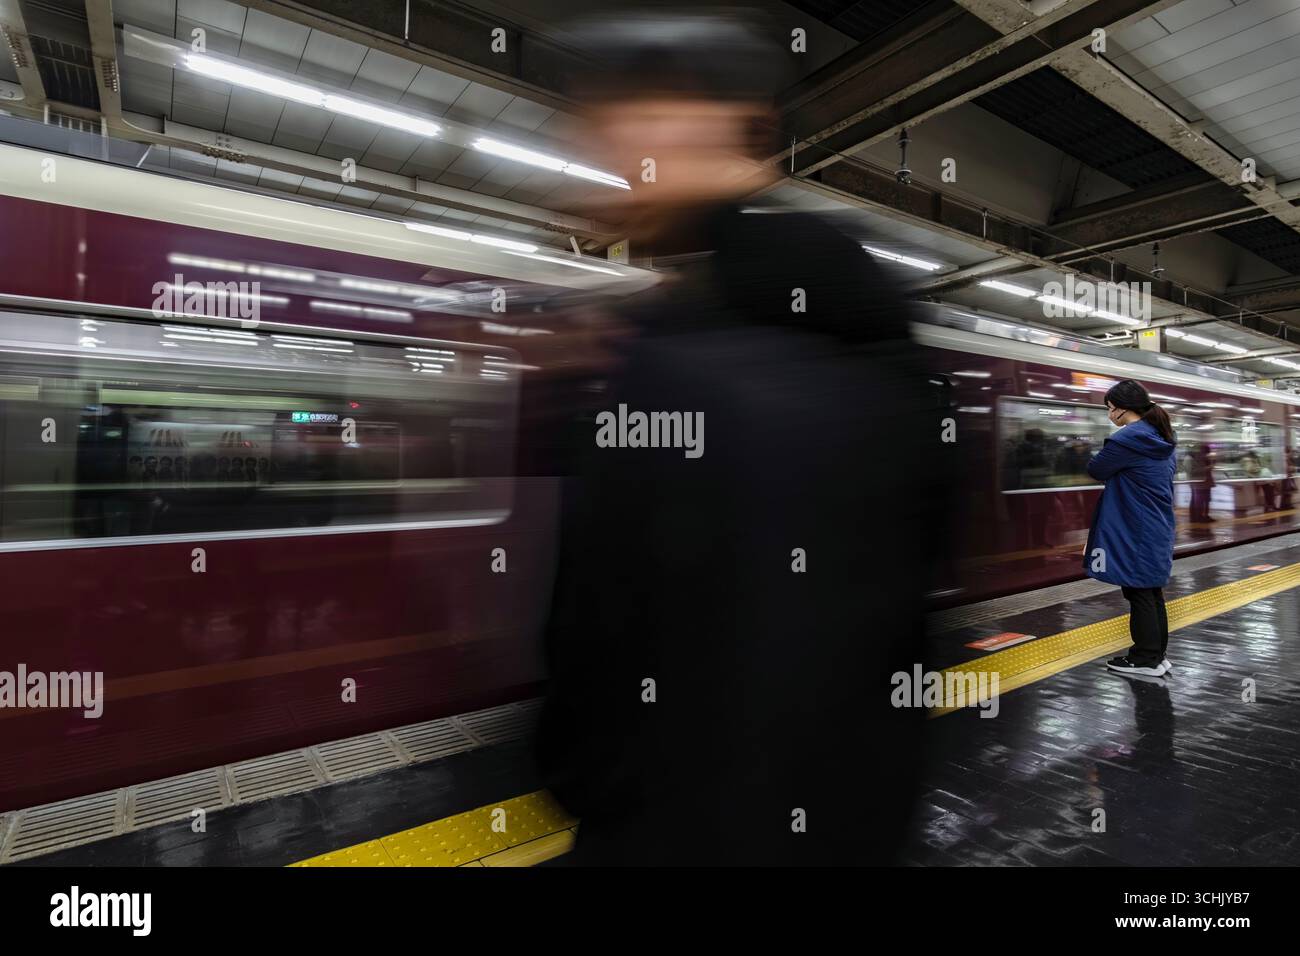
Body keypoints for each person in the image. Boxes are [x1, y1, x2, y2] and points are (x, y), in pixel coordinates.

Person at [535, 9, 945, 865]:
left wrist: (596, 790)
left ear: (744, 132)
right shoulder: (829, 332)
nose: (614, 150)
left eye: (643, 115)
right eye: (604, 124)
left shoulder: (719, 366)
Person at [1083, 380, 1177, 677]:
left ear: (1122, 410)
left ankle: (1145, 658)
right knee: (1150, 592)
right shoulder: (1163, 437)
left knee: (1138, 592)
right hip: (1156, 523)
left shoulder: (1127, 439)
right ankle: (1157, 656)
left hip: (1135, 527)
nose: (1109, 414)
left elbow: (1096, 469)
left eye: (1109, 409)